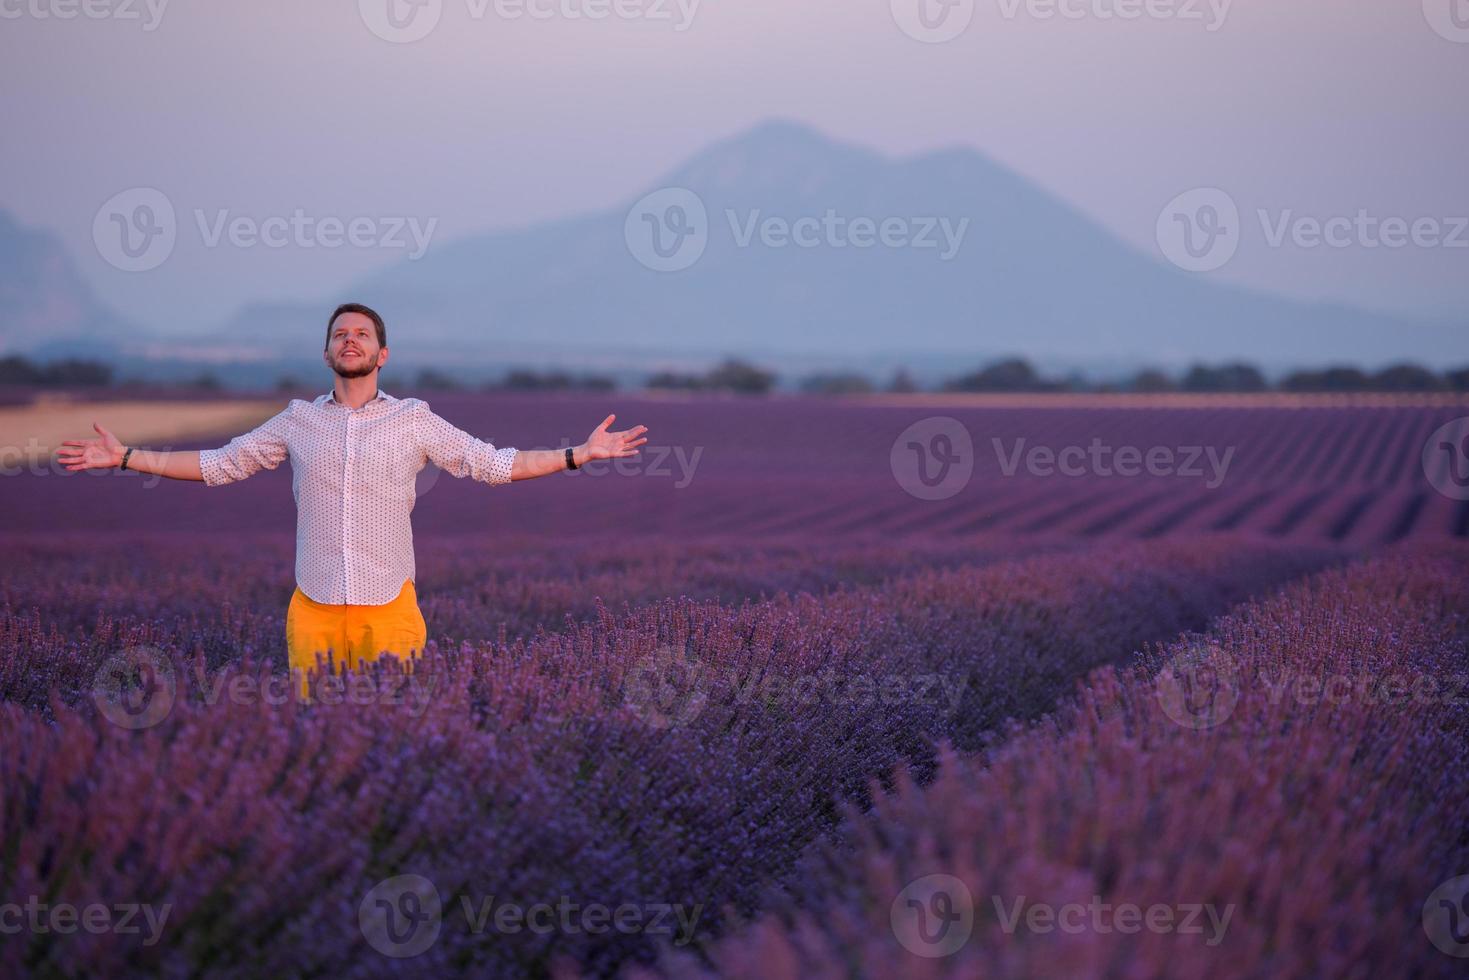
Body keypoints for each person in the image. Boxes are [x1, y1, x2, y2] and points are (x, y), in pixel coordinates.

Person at [55, 302, 649, 698]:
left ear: (382, 355)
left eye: (363, 334)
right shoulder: (296, 421)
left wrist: (580, 454)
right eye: (340, 333)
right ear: (326, 354)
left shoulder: (415, 420)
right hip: (311, 608)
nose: (351, 339)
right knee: (314, 736)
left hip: (389, 608)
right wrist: (128, 456)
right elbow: (217, 465)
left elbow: (495, 465)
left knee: (395, 732)